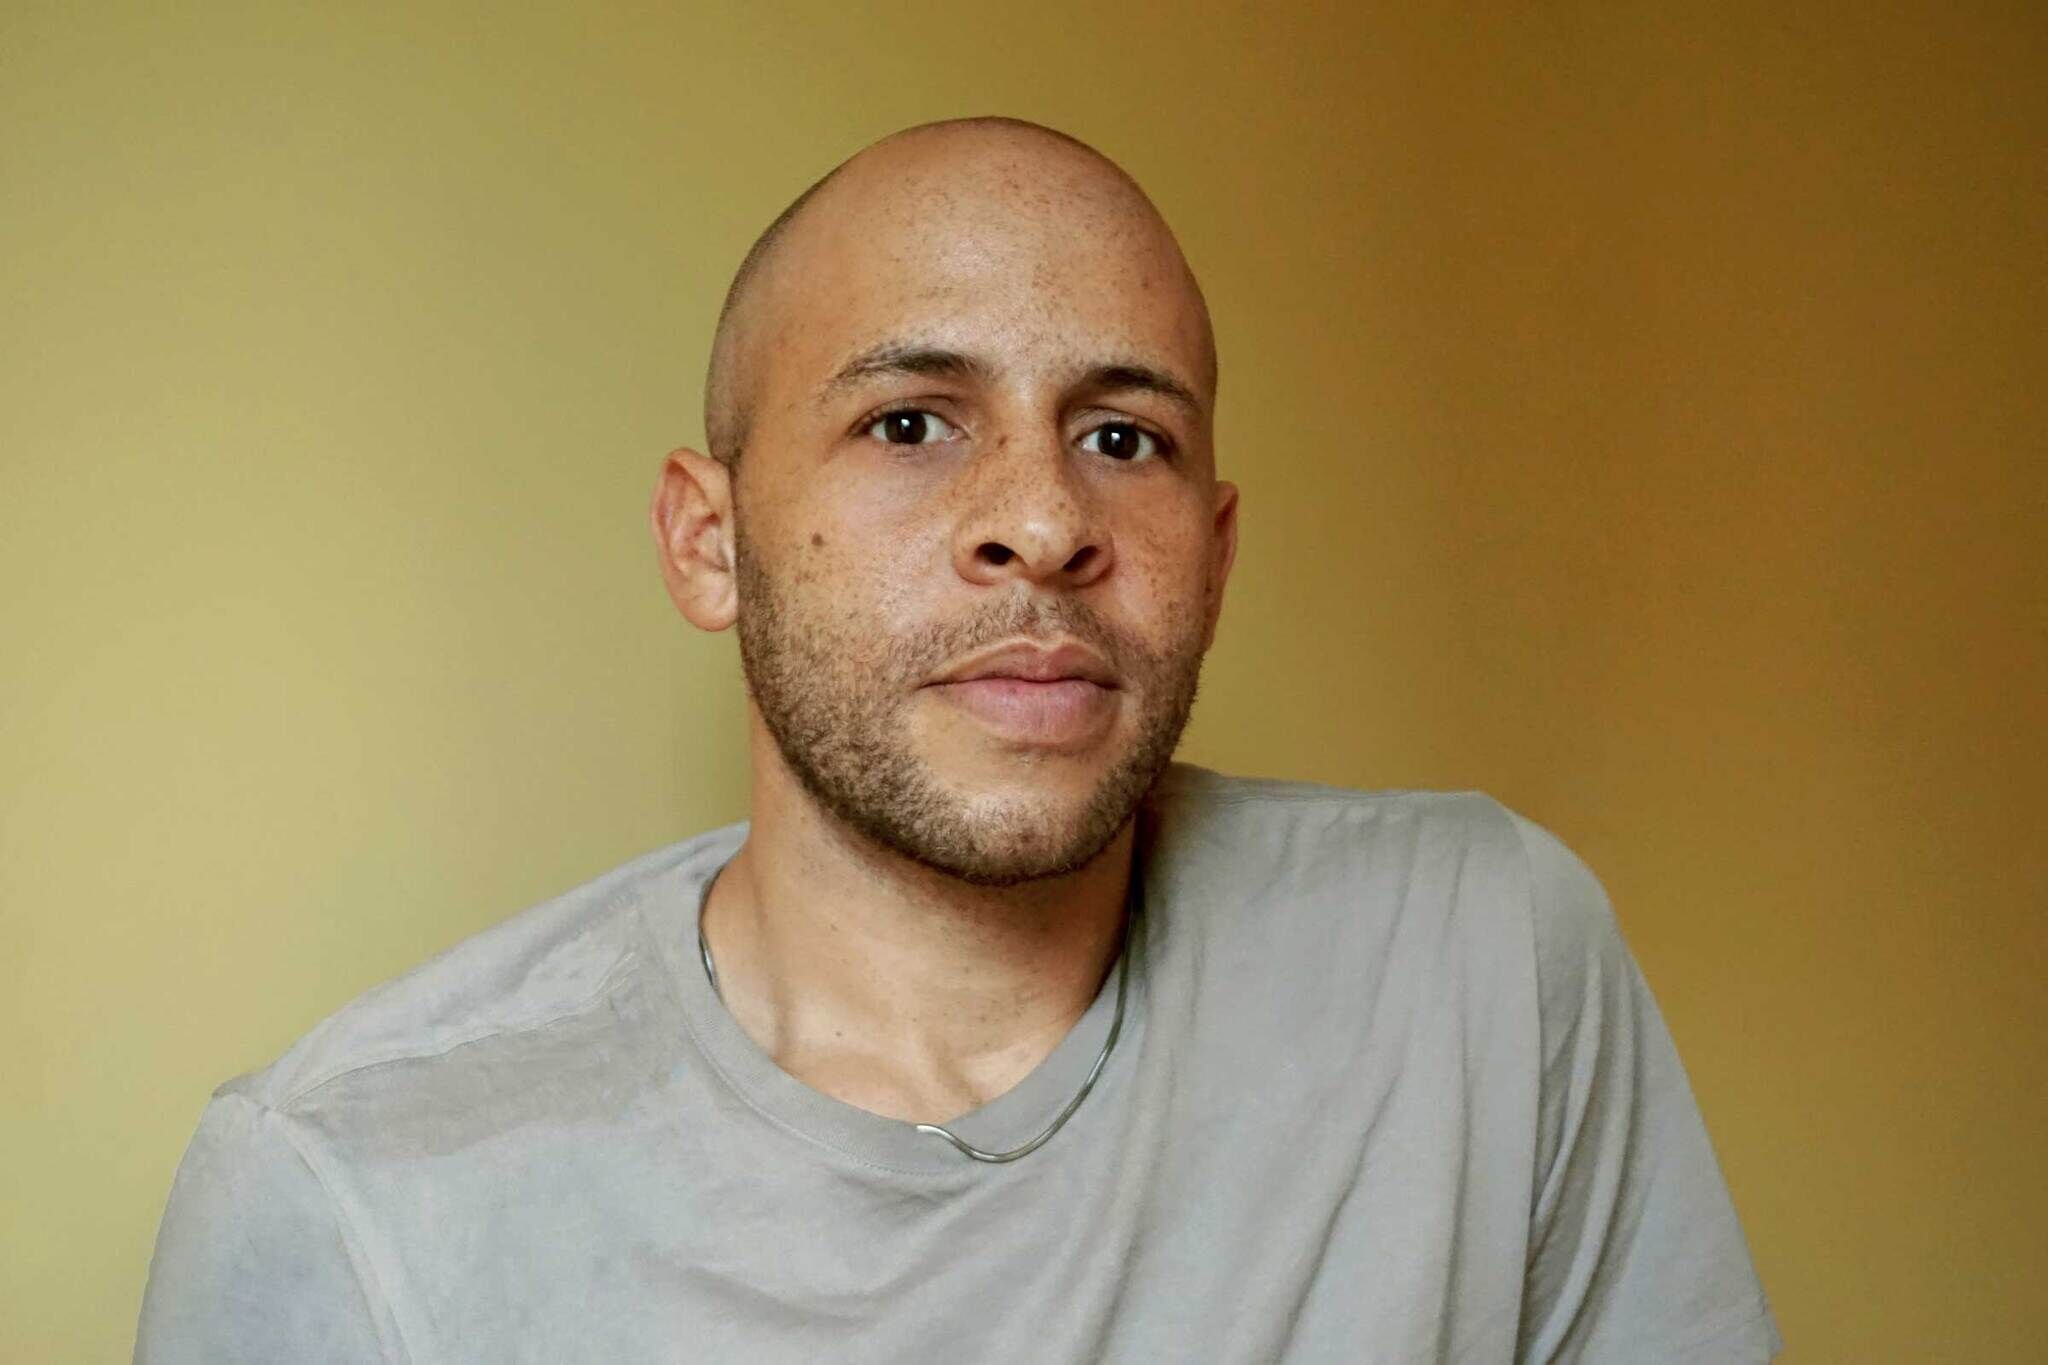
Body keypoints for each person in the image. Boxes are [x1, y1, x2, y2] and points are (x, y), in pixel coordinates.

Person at [135, 116, 1780, 1363]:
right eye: (910, 422)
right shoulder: (357, 1193)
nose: (1045, 522)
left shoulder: (1479, 962)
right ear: (710, 543)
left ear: (1212, 551)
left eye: (1122, 435)